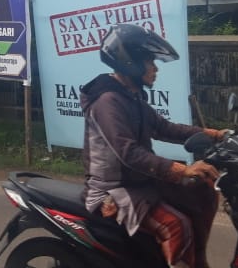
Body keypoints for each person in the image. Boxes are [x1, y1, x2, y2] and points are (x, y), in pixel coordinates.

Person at [81, 24, 227, 268]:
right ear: (131, 63)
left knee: (203, 189)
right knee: (176, 224)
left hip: (139, 181)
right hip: (114, 189)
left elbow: (164, 127)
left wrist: (214, 134)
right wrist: (182, 170)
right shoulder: (107, 101)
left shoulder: (129, 94)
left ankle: (195, 261)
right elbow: (129, 153)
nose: (155, 68)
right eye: (150, 61)